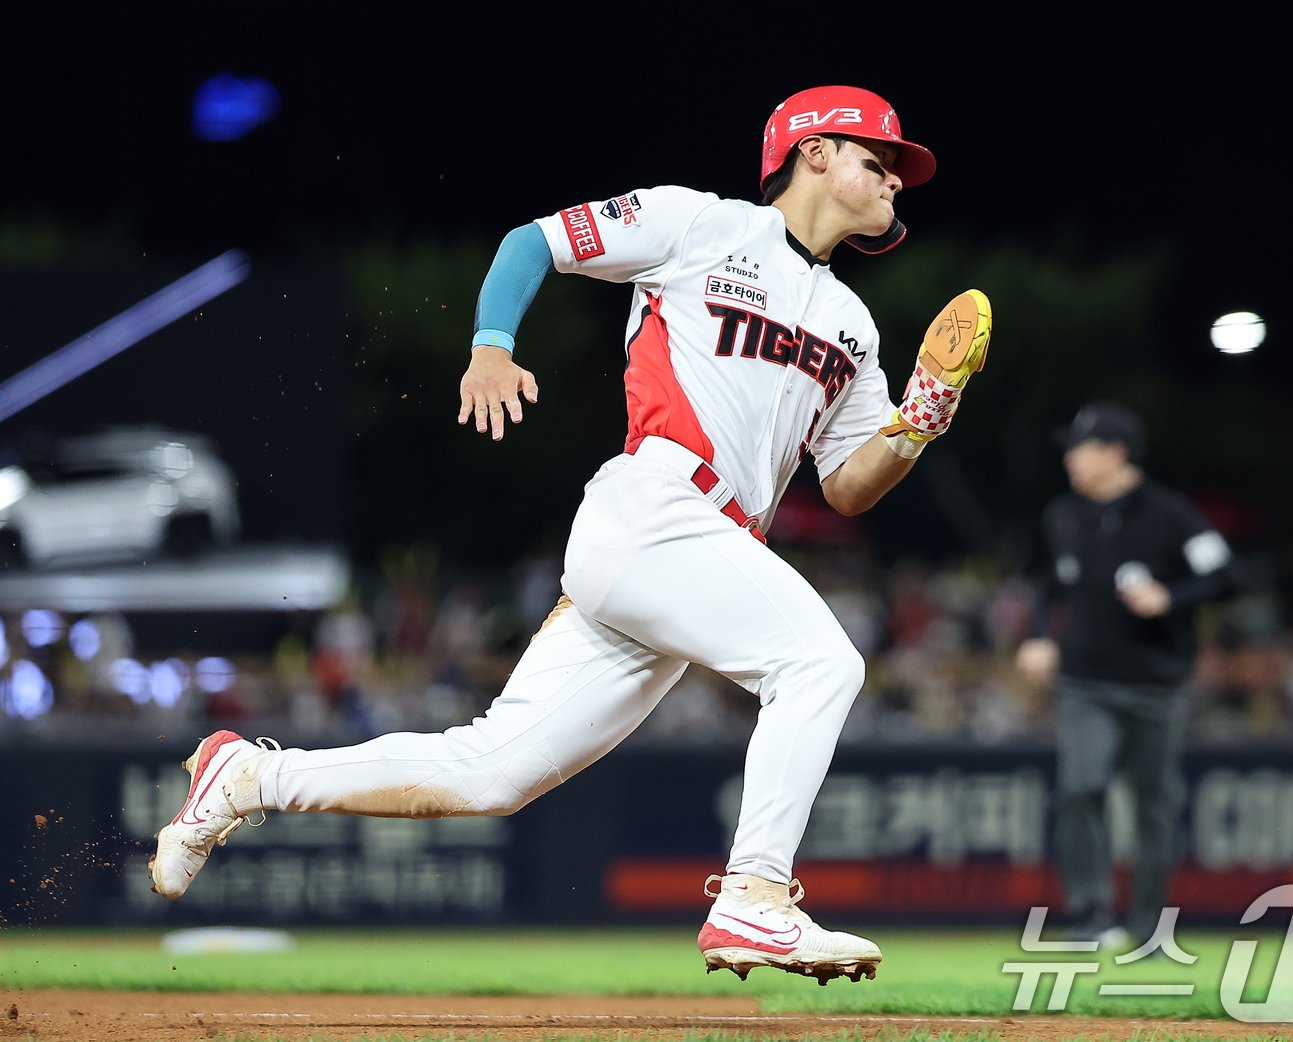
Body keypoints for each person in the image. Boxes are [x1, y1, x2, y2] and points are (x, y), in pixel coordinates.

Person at [148, 85, 991, 984]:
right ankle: (755, 894)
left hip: (705, 556)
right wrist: (491, 344)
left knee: (489, 774)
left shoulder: (853, 325)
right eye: (879, 159)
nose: (896, 179)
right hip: (655, 507)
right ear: (814, 152)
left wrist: (919, 421)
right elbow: (534, 242)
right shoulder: (698, 224)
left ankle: (248, 778)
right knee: (821, 663)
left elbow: (849, 486)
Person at [1014, 401, 1237, 948]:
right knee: (1080, 787)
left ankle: (1146, 927)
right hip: (1084, 681)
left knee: (1154, 806)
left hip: (1156, 684)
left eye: (1080, 448)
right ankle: (1090, 919)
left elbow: (1226, 575)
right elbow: (1047, 587)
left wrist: (1170, 596)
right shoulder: (1063, 516)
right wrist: (1040, 635)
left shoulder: (1170, 514)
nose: (1069, 458)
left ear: (1114, 452)